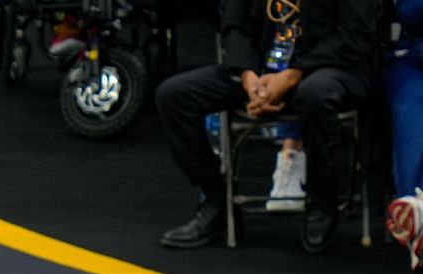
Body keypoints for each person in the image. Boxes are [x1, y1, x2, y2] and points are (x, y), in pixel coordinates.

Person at [153, 0, 378, 252]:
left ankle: (321, 201)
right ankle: (217, 202)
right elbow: (234, 24)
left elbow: (354, 35)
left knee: (315, 94)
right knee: (173, 96)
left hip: (329, 69)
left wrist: (293, 75)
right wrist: (248, 78)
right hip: (262, 72)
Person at [385, 0, 423, 268]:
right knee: (411, 104)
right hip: (413, 58)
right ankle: (416, 205)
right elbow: (410, 12)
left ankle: (419, 220)